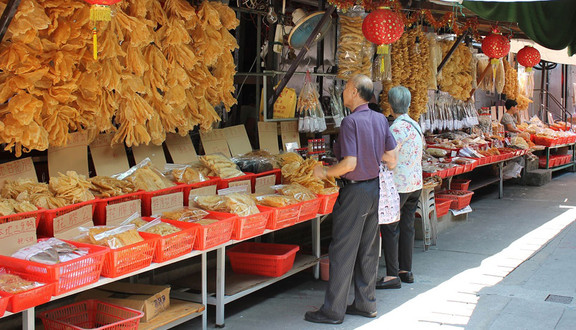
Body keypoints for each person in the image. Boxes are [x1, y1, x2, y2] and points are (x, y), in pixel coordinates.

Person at [304, 75, 397, 324]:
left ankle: (333, 311)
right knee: (367, 249)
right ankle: (366, 304)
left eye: (346, 88)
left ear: (355, 92)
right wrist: (373, 157)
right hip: (373, 189)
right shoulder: (379, 119)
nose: (344, 91)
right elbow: (392, 157)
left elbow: (349, 163)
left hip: (354, 191)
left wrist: (323, 172)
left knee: (343, 251)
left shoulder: (350, 122)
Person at [376, 86, 423, 290]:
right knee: (407, 226)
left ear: (390, 104)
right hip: (415, 183)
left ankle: (392, 275)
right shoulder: (415, 125)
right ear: (409, 103)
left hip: (399, 185)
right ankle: (406, 270)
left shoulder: (395, 128)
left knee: (391, 227)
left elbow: (390, 158)